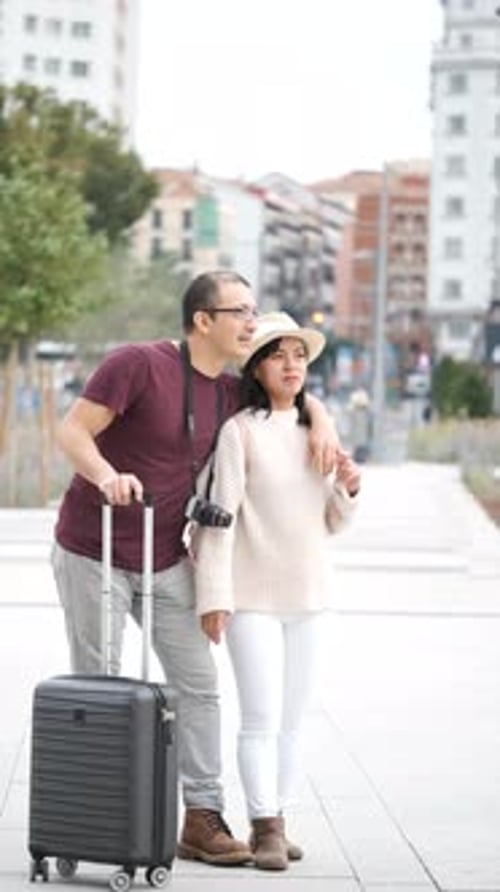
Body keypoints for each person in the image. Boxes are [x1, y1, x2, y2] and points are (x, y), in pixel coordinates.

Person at [51, 271, 340, 867]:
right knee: (101, 683)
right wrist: (106, 476)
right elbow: (72, 430)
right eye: (241, 312)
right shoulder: (137, 364)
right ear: (203, 321)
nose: (252, 322)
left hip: (164, 556)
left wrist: (323, 417)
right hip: (93, 548)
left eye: (254, 310)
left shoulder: (230, 392)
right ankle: (98, 816)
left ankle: (202, 818)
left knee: (199, 685)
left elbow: (287, 397)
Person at [190, 312, 361, 871]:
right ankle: (265, 826)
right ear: (257, 369)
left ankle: (281, 816)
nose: (291, 365)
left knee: (293, 721)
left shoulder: (318, 430)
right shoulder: (239, 431)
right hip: (251, 598)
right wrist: (214, 598)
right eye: (277, 355)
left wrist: (348, 489)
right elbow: (220, 519)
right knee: (260, 718)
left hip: (310, 595)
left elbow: (330, 521)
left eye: (299, 355)